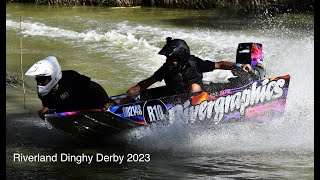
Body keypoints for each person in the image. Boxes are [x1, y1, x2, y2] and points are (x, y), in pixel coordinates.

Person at [126, 37, 252, 99]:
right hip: (176, 99)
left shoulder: (195, 63)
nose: (170, 62)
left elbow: (220, 64)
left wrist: (239, 66)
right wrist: (132, 91)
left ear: (183, 57)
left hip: (201, 96)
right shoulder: (166, 68)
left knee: (194, 87)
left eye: (174, 58)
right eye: (169, 58)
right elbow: (147, 82)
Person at [25, 56, 116, 119]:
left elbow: (93, 86)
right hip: (73, 109)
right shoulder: (43, 92)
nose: (39, 83)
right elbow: (51, 107)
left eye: (42, 80)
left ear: (52, 76)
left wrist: (106, 101)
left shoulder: (71, 78)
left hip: (92, 103)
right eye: (38, 80)